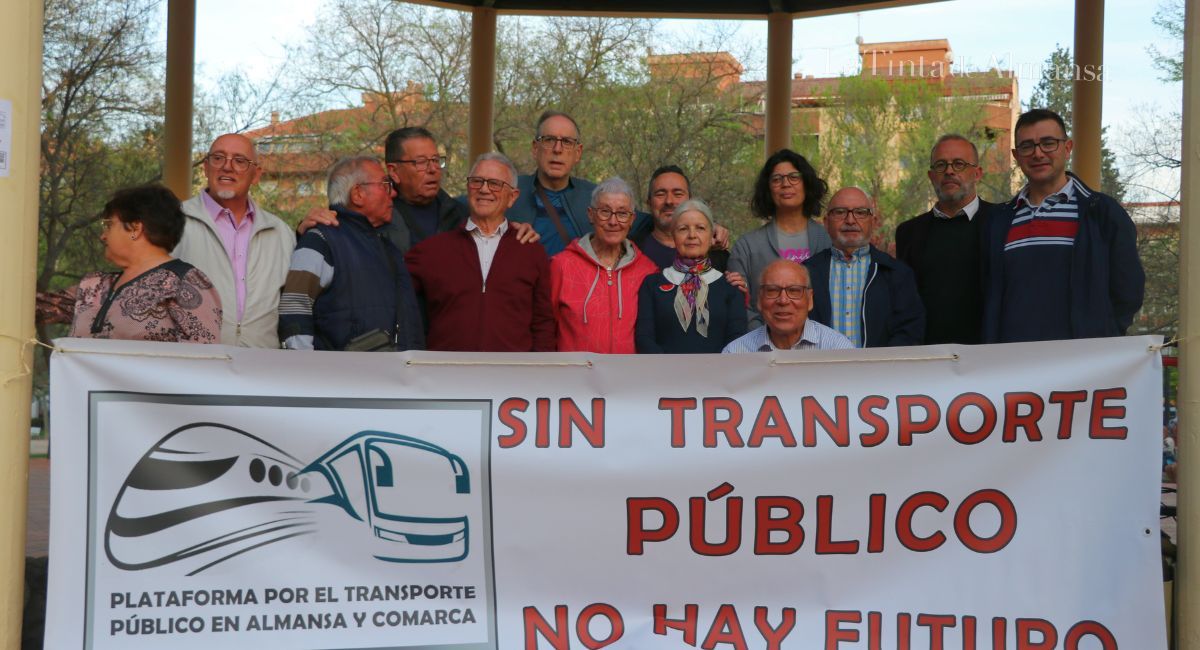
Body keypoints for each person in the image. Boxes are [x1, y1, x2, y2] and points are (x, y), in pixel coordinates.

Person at [982, 108, 1144, 343]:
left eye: (1048, 143)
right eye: (1027, 146)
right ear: (1016, 156)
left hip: (1081, 366)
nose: (1038, 154)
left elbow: (1128, 290)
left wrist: (1102, 334)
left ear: (1067, 148)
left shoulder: (1101, 213)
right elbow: (989, 293)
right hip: (1012, 365)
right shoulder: (999, 220)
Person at [299, 127, 538, 252]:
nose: (434, 169)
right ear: (394, 171)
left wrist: (514, 229)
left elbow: (491, 230)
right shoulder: (372, 214)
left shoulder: (460, 212)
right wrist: (303, 228)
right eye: (422, 163)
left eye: (436, 160)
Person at [406, 153, 556, 351]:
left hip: (512, 376)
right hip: (446, 375)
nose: (484, 189)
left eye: (494, 183)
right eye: (477, 181)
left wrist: (540, 374)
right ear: (468, 188)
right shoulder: (431, 252)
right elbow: (391, 296)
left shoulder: (530, 252)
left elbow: (543, 323)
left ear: (512, 197)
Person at [37, 184, 222, 342]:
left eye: (109, 225)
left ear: (135, 228)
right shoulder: (94, 286)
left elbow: (203, 362)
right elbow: (30, 308)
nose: (103, 236)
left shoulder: (185, 282)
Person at [278, 157, 423, 351]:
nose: (393, 193)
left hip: (392, 376)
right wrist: (307, 367)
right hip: (339, 377)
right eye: (385, 185)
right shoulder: (320, 240)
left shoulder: (389, 248)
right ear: (357, 194)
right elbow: (295, 306)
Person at [175, 134, 294, 347]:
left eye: (240, 161)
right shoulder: (173, 222)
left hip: (261, 368)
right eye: (218, 158)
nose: (227, 167)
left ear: (256, 175)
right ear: (205, 167)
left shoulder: (281, 233)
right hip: (193, 366)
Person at [507, 110, 650, 256]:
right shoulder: (508, 192)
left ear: (578, 153)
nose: (558, 149)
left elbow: (651, 224)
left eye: (567, 142)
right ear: (535, 148)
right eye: (549, 140)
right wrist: (504, 231)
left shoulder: (596, 198)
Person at [895, 134, 994, 344]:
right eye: (941, 165)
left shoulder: (1001, 223)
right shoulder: (909, 233)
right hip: (928, 360)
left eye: (959, 164)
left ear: (977, 173)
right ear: (931, 176)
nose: (949, 171)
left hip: (989, 357)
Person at [804, 187, 925, 347]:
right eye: (840, 212)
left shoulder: (897, 274)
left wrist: (880, 368)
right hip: (819, 369)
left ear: (873, 222)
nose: (850, 220)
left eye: (860, 212)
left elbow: (909, 331)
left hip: (880, 370)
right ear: (826, 223)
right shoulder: (806, 273)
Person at [551, 177, 658, 353]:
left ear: (632, 219)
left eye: (622, 213)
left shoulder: (647, 271)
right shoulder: (561, 265)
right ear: (590, 214)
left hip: (629, 377)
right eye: (605, 211)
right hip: (574, 377)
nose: (613, 222)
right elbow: (546, 326)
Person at [729, 149, 832, 327]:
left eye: (794, 177)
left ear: (806, 184)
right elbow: (739, 306)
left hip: (822, 348)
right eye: (777, 179)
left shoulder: (829, 241)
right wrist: (767, 341)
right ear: (767, 189)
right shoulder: (747, 247)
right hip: (765, 349)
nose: (786, 184)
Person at [637, 199, 748, 353]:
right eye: (683, 229)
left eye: (700, 228)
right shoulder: (652, 284)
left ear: (711, 236)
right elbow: (644, 337)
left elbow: (738, 340)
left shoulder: (730, 287)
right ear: (673, 236)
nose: (692, 235)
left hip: (718, 374)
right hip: (664, 373)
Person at [723, 260, 851, 352]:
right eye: (772, 290)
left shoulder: (837, 348)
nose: (783, 300)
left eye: (794, 291)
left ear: (810, 300)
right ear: (759, 300)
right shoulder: (737, 353)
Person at [635, 165, 731, 271]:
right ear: (649, 203)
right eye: (660, 194)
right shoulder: (632, 252)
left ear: (690, 200)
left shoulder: (716, 253)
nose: (669, 201)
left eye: (678, 194)